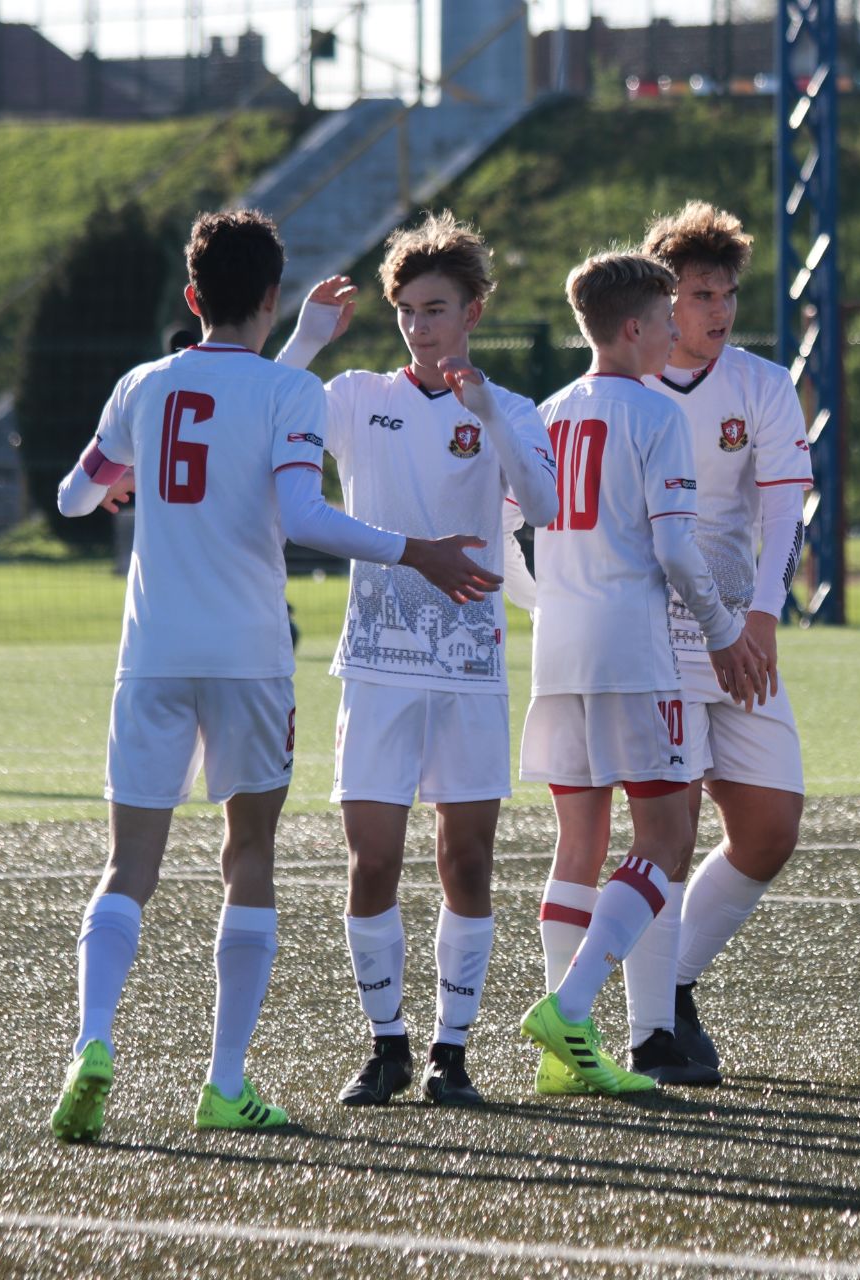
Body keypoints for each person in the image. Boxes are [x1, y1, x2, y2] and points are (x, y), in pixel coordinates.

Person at [47, 209, 494, 1142]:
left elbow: (76, 494)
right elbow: (301, 511)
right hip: (249, 660)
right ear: (272, 296)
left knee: (128, 866)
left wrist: (121, 479)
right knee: (247, 856)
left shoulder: (142, 384)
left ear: (190, 296)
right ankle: (224, 1080)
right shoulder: (290, 397)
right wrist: (417, 550)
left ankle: (92, 1042)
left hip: (153, 658)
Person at [273, 210, 559, 1110]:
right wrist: (304, 340)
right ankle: (386, 1043)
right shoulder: (357, 395)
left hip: (470, 669)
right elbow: (261, 419)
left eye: (435, 308)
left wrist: (490, 421)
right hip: (378, 666)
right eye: (406, 310)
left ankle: (451, 1050)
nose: (419, 326)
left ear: (473, 310)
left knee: (468, 861)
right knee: (373, 861)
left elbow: (547, 504)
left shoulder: (508, 407)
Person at [564, 200, 808, 1086]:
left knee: (771, 827)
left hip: (737, 634)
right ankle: (649, 1032)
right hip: (649, 636)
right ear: (662, 302)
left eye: (728, 293)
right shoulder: (620, 385)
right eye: (699, 294)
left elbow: (783, 507)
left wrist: (763, 615)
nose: (718, 310)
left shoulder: (761, 385)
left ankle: (674, 984)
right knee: (664, 827)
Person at [518, 251, 767, 1096]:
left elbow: (498, 526)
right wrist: (727, 632)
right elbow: (674, 548)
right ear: (632, 328)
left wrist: (544, 602)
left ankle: (567, 1060)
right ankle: (574, 1009)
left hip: (557, 651)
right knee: (663, 840)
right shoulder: (655, 416)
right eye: (667, 317)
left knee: (579, 844)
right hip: (631, 648)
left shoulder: (548, 413)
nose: (676, 331)